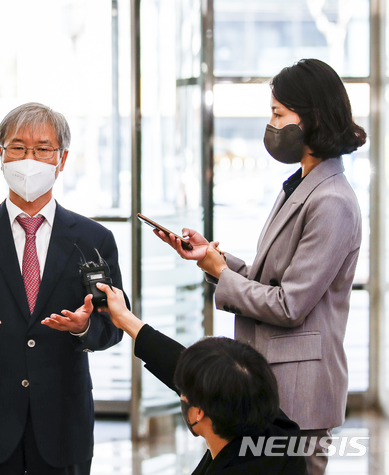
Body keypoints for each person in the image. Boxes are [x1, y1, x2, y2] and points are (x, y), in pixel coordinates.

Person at [155, 58, 365, 475]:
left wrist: (223, 273)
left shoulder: (332, 202)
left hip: (300, 394)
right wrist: (216, 263)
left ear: (313, 119)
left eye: (278, 114)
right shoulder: (301, 186)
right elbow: (273, 278)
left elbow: (289, 305)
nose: (270, 126)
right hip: (271, 384)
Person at [0, 102, 126, 475]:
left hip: (63, 424)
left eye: (42, 149)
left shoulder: (93, 239)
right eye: (18, 148)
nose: (29, 159)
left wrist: (84, 327)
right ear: (0, 156)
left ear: (62, 159)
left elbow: (113, 327)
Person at [92, 282, 307, 474]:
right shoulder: (280, 434)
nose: (181, 393)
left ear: (198, 412)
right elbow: (186, 368)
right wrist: (126, 319)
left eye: (184, 392)